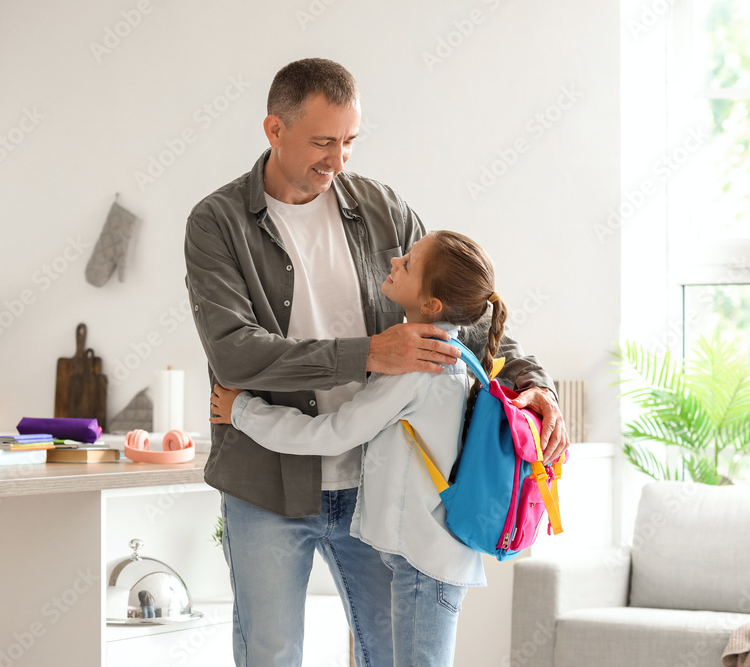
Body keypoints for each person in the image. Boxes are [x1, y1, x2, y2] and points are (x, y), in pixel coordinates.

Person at [184, 58, 569, 667]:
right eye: (321, 142)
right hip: (266, 484)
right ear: (273, 129)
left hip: (377, 485)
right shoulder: (217, 223)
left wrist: (532, 381)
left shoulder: (383, 208)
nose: (337, 161)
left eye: (348, 142)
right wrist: (367, 354)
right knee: (271, 654)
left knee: (388, 655)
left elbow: (463, 315)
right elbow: (234, 352)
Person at [210, 230, 511, 666]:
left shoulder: (415, 368)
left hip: (424, 566)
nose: (393, 262)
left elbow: (331, 434)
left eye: (407, 264)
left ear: (432, 306)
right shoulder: (455, 355)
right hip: (438, 558)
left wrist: (241, 411)